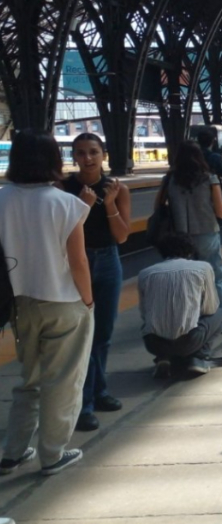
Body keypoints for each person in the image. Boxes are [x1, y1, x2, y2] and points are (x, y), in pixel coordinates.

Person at [0, 130, 92, 476]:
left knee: (30, 378)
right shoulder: (64, 203)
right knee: (64, 381)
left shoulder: (1, 198)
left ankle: (13, 452)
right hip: (64, 300)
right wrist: (89, 300)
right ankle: (52, 454)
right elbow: (78, 261)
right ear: (55, 160)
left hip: (20, 303)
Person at [61, 133, 131, 433]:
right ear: (73, 157)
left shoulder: (117, 188)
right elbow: (63, 231)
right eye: (80, 153)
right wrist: (81, 205)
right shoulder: (63, 189)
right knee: (82, 336)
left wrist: (111, 203)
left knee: (103, 332)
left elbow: (122, 235)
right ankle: (84, 404)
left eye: (92, 152)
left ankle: (99, 391)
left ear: (103, 154)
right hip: (77, 262)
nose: (87, 158)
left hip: (109, 260)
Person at [163, 141, 222, 334]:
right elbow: (220, 212)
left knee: (187, 282)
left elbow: (158, 208)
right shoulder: (210, 179)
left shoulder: (170, 179)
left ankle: (190, 323)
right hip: (207, 233)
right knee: (216, 279)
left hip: (180, 238)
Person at [139, 233, 222, 379]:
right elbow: (210, 308)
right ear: (190, 251)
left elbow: (144, 313)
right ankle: (198, 357)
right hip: (189, 341)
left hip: (153, 342)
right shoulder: (203, 268)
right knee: (221, 314)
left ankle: (163, 357)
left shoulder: (145, 273)